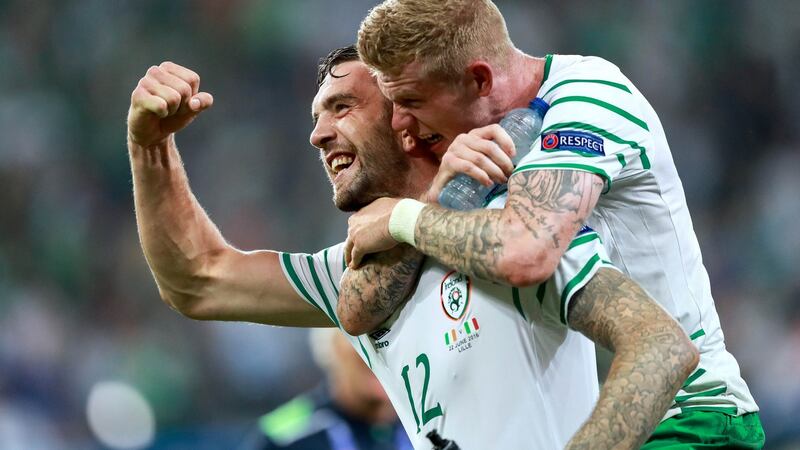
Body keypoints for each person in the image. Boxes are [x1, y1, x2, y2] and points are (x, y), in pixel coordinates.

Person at [125, 48, 697, 449]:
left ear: (405, 121)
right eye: (316, 116)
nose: (316, 134)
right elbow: (199, 279)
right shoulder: (355, 272)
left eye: (341, 107)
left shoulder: (504, 232)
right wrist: (148, 147)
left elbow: (662, 345)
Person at [341, 0, 764, 448]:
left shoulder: (587, 98)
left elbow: (525, 253)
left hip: (690, 418)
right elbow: (343, 308)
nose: (399, 122)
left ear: (480, 79)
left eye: (411, 101)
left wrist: (403, 217)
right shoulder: (484, 144)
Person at [239, 329, 411, 450]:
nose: (378, 347)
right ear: (333, 347)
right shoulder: (285, 437)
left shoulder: (423, 427)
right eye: (364, 336)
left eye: (392, 333)